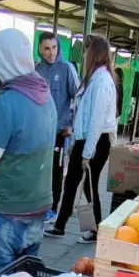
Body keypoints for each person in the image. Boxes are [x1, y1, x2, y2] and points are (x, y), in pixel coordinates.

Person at [0, 30, 56, 270]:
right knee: (28, 275)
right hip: (40, 205)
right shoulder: (45, 95)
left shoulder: (6, 103)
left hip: (11, 207)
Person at [46, 35, 118, 243]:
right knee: (72, 183)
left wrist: (87, 152)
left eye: (87, 50)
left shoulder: (101, 81)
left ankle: (94, 230)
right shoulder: (94, 78)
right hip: (87, 140)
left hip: (95, 141)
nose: (84, 55)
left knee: (88, 187)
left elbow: (96, 120)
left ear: (94, 53)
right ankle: (61, 225)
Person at [35, 31, 79, 221]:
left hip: (59, 133)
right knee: (39, 170)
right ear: (40, 49)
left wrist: (71, 124)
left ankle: (52, 209)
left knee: (55, 171)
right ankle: (38, 206)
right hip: (39, 132)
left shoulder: (66, 69)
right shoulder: (36, 70)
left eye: (54, 47)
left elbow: (79, 98)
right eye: (47, 48)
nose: (51, 52)